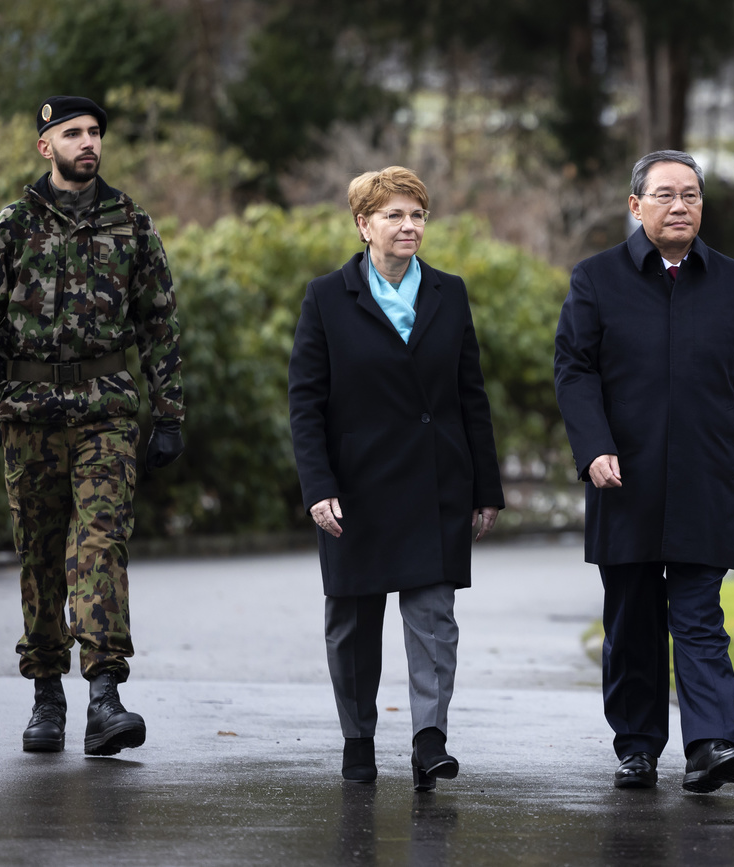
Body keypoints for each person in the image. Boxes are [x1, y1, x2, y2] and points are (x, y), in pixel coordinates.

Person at [0, 95, 185, 756]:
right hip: (28, 417)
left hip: (106, 411)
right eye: (73, 133)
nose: (88, 143)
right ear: (45, 146)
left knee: (100, 542)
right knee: (43, 551)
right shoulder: (13, 226)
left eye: (95, 133)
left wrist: (168, 413)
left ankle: (105, 694)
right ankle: (46, 691)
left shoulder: (131, 224)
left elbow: (160, 326)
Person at [553, 149, 734, 793]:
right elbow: (574, 370)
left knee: (700, 615)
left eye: (690, 195)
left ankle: (711, 745)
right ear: (635, 205)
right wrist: (593, 447)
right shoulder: (596, 279)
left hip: (705, 480)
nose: (679, 206)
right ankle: (638, 746)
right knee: (631, 620)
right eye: (664, 195)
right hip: (621, 478)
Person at [288, 166, 504, 789]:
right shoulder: (327, 297)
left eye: (417, 215)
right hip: (354, 488)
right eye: (394, 216)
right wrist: (318, 485)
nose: (409, 226)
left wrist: (485, 487)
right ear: (363, 225)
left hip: (437, 479)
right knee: (353, 622)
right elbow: (306, 402)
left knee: (434, 618)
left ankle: (429, 741)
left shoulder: (449, 292)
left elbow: (471, 395)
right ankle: (358, 743)